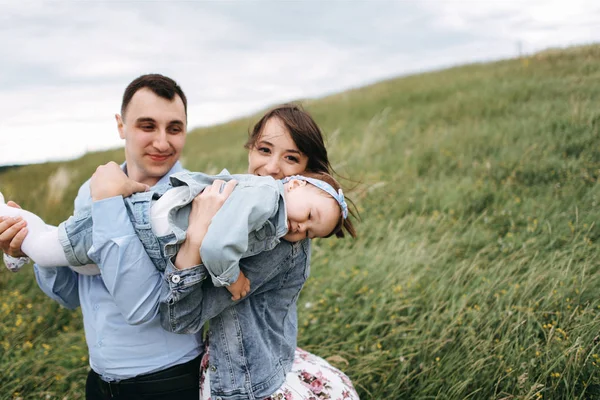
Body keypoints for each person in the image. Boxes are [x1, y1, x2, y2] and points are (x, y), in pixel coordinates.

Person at [1, 74, 207, 399]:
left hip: (168, 381)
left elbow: (146, 307)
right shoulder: (90, 191)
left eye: (175, 128)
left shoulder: (191, 200)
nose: (163, 142)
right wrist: (30, 244)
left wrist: (108, 203)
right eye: (147, 125)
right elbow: (70, 295)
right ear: (121, 125)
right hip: (98, 381)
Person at [159, 104, 361, 399]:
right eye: (265, 150)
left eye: (291, 158)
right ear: (250, 149)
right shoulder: (252, 208)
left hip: (245, 378)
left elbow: (182, 319)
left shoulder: (278, 242)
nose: (271, 168)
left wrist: (194, 239)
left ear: (305, 174)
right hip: (265, 356)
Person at [0, 168, 354, 300]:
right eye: (309, 215)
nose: (301, 228)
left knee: (81, 264)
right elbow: (216, 244)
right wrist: (233, 280)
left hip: (149, 238)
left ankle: (17, 231)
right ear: (292, 185)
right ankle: (7, 216)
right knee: (50, 251)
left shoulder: (271, 217)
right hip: (142, 226)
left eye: (310, 233)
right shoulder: (265, 197)